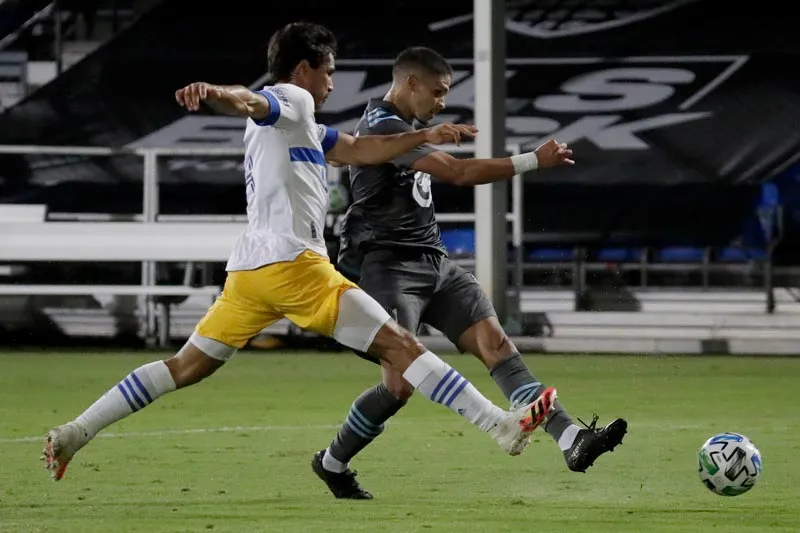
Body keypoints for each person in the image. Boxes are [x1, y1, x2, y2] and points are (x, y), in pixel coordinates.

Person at [40, 23, 557, 482]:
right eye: (328, 72)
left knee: (186, 366)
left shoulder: (301, 126)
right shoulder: (292, 98)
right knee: (400, 346)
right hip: (294, 264)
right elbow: (250, 100)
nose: (332, 84)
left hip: (250, 272)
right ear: (304, 69)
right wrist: (216, 93)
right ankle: (499, 425)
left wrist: (425, 134)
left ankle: (76, 431)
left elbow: (361, 149)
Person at [312, 47, 627, 500]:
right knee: (399, 387)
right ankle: (332, 462)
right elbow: (457, 173)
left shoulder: (406, 127)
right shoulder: (381, 127)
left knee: (496, 345)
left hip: (435, 262)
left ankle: (571, 439)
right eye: (438, 92)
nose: (442, 102)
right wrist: (531, 160)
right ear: (410, 83)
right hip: (388, 268)